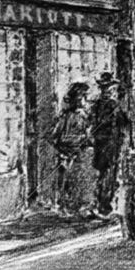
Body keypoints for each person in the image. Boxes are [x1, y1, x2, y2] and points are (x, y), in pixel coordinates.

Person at [89, 73, 130, 217]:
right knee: (105, 174)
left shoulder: (107, 105)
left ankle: (103, 204)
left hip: (106, 143)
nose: (108, 91)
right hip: (105, 143)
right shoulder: (105, 105)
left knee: (106, 174)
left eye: (109, 88)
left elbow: (123, 123)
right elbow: (123, 123)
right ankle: (103, 204)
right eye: (105, 88)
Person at [52, 82, 90, 214]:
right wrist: (63, 148)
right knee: (65, 181)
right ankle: (63, 206)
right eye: (79, 98)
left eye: (83, 98)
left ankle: (77, 206)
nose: (81, 101)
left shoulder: (85, 116)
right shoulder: (66, 116)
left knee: (78, 181)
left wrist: (86, 139)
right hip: (66, 153)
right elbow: (55, 136)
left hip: (80, 153)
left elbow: (88, 133)